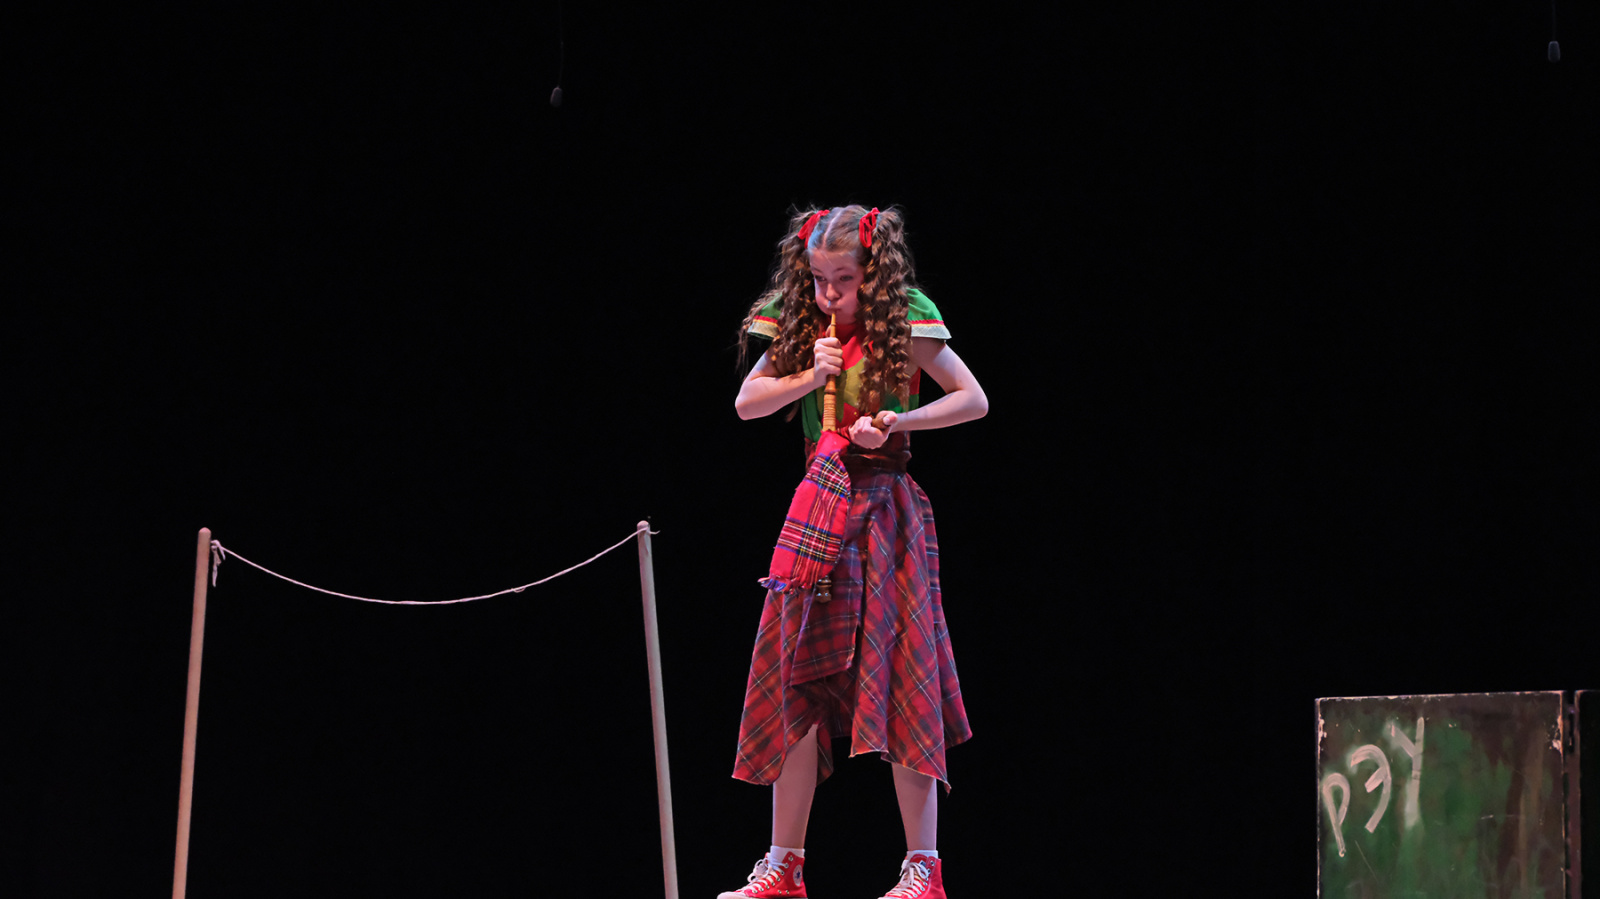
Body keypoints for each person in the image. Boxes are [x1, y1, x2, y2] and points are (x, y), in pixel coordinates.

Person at [720, 205, 987, 899]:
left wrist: (900, 421)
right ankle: (784, 864)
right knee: (797, 680)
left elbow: (972, 399)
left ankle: (923, 867)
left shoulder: (905, 316)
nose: (829, 293)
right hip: (820, 509)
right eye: (818, 278)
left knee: (902, 676)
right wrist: (811, 376)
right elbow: (748, 403)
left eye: (844, 278)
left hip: (886, 509)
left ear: (874, 273)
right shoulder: (801, 322)